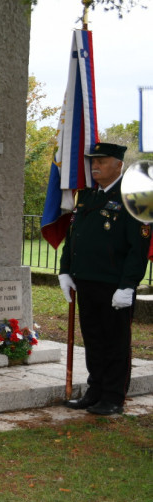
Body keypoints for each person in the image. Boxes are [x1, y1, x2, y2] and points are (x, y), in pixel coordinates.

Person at [59, 142, 150, 416]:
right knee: (94, 340)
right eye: (93, 161)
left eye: (102, 161)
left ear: (118, 165)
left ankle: (113, 397)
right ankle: (94, 390)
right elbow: (73, 236)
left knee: (115, 342)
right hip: (85, 280)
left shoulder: (135, 197)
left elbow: (139, 248)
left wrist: (128, 285)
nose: (95, 166)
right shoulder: (87, 196)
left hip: (114, 285)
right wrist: (65, 269)